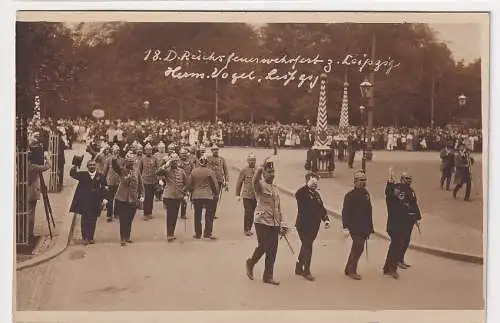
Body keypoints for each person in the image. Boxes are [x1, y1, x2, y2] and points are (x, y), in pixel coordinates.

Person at [245, 157, 289, 286]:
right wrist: (260, 168)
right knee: (264, 246)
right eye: (269, 172)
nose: (272, 174)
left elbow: (278, 207)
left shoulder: (274, 188)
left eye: (273, 172)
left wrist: (282, 223)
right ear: (264, 173)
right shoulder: (260, 186)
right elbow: (254, 180)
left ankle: (268, 276)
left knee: (273, 250)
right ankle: (251, 262)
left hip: (274, 222)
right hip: (262, 221)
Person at [294, 172, 330, 281]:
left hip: (314, 226)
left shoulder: (316, 194)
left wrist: (326, 219)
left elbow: (321, 208)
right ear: (307, 181)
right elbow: (298, 194)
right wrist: (306, 186)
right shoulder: (303, 193)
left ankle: (299, 267)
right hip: (304, 225)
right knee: (308, 246)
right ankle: (307, 270)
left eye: (316, 182)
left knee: (305, 245)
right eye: (312, 181)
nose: (315, 184)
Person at [341, 170, 374, 280]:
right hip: (354, 227)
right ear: (355, 182)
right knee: (358, 247)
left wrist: (370, 228)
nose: (363, 183)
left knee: (358, 249)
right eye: (360, 180)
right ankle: (352, 271)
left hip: (364, 227)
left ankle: (348, 268)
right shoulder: (350, 196)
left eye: (364, 180)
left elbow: (369, 211)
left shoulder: (366, 193)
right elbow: (345, 212)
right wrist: (345, 227)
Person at [385, 171, 421, 270]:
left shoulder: (411, 190)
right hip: (401, 219)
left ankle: (400, 259)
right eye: (407, 179)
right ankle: (396, 261)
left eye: (410, 179)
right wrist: (390, 179)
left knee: (406, 240)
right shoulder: (398, 189)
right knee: (401, 241)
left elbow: (414, 204)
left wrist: (417, 217)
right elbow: (391, 195)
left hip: (410, 219)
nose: (409, 181)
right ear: (402, 179)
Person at [69, 159, 108, 245]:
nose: (92, 166)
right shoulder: (83, 175)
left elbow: (105, 187)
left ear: (96, 166)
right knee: (85, 219)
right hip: (85, 201)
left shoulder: (100, 176)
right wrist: (76, 164)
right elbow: (72, 173)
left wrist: (105, 199)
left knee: (93, 219)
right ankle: (85, 237)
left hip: (95, 201)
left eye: (93, 165)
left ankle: (91, 237)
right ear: (87, 167)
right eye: (90, 165)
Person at [112, 151, 144, 246]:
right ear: (126, 161)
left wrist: (142, 194)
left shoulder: (136, 170)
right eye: (129, 161)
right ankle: (123, 238)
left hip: (133, 198)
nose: (130, 163)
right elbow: (115, 166)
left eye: (132, 161)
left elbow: (140, 184)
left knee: (130, 218)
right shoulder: (122, 170)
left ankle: (127, 236)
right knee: (123, 219)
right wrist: (114, 158)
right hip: (122, 198)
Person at [157, 153, 189, 242]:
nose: (174, 163)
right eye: (173, 161)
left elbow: (186, 183)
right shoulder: (167, 170)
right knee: (170, 215)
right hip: (169, 196)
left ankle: (172, 233)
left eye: (176, 161)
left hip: (178, 196)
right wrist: (166, 164)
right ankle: (169, 234)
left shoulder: (181, 171)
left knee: (174, 215)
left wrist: (184, 191)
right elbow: (158, 172)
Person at [188, 155, 219, 240]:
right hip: (208, 195)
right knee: (209, 215)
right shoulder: (210, 172)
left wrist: (192, 191)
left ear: (199, 162)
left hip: (196, 195)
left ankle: (198, 234)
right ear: (206, 163)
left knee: (197, 214)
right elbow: (215, 185)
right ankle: (207, 233)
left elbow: (189, 184)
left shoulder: (194, 172)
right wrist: (216, 193)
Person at [235, 153, 257, 236]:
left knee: (252, 213)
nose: (252, 162)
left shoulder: (258, 170)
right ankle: (246, 229)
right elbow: (239, 183)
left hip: (255, 196)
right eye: (250, 160)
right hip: (247, 195)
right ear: (247, 161)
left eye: (253, 160)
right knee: (248, 212)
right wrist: (237, 194)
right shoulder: (244, 170)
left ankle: (249, 228)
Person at [138, 143, 159, 220]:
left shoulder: (155, 158)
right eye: (147, 150)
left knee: (151, 197)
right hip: (144, 181)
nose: (149, 151)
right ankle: (145, 213)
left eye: (150, 150)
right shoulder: (142, 159)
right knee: (145, 197)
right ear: (145, 150)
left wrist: (158, 178)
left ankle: (150, 212)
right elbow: (139, 170)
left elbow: (158, 168)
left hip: (152, 180)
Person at [207, 145, 229, 219]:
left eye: (216, 150)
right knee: (209, 197)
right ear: (211, 151)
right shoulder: (208, 159)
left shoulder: (222, 159)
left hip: (219, 181)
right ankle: (209, 212)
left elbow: (226, 171)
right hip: (210, 181)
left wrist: (227, 181)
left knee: (216, 198)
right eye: (214, 150)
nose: (215, 151)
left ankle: (213, 213)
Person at [102, 144, 122, 222]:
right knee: (109, 199)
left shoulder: (121, 160)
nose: (116, 153)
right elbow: (104, 171)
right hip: (109, 181)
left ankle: (116, 213)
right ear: (112, 151)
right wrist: (103, 182)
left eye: (117, 151)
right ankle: (109, 215)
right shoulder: (108, 159)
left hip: (118, 182)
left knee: (117, 199)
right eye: (114, 151)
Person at [179, 148, 195, 219]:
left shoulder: (190, 162)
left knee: (184, 199)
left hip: (187, 182)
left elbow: (193, 171)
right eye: (182, 154)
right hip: (178, 182)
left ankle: (183, 213)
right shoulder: (177, 161)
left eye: (185, 154)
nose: (183, 155)